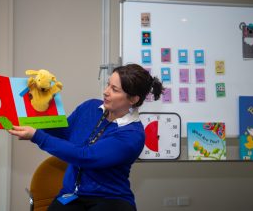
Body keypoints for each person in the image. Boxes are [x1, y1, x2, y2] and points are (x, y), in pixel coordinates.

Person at [8, 63, 164, 211]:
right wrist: (36, 114)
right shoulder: (90, 107)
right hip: (71, 195)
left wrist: (36, 136)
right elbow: (64, 133)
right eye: (108, 84)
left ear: (133, 99)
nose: (106, 91)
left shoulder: (132, 136)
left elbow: (86, 156)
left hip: (110, 199)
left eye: (114, 89)